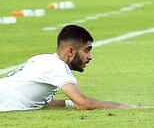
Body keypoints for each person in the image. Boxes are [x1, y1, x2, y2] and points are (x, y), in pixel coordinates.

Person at [0, 25, 136, 112]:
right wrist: (123, 107)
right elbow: (84, 104)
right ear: (70, 51)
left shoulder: (41, 59)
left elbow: (33, 101)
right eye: (87, 50)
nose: (90, 57)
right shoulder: (57, 67)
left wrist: (69, 104)